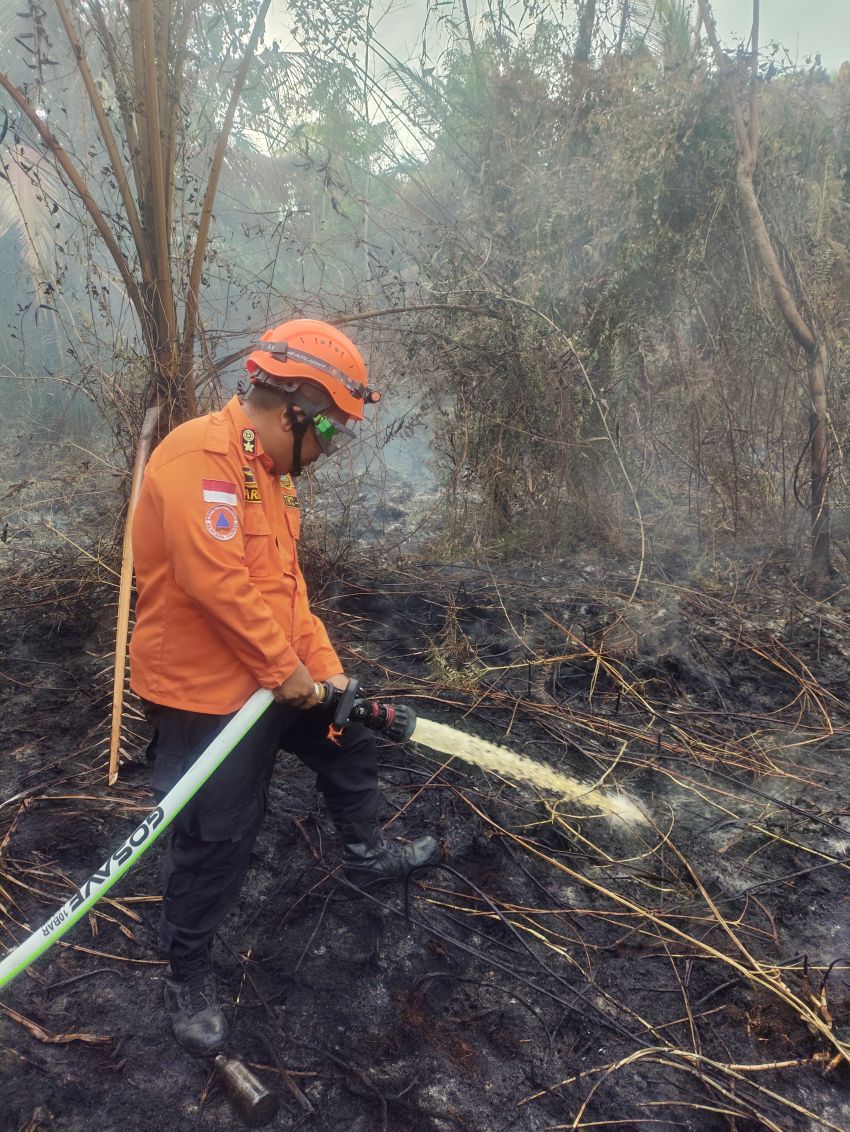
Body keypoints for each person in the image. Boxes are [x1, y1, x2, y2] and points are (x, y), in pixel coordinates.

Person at [129, 319, 440, 1055]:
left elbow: (288, 595)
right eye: (330, 431)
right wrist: (286, 674)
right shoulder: (199, 456)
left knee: (348, 735)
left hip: (272, 678)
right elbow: (217, 584)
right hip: (205, 697)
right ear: (295, 408)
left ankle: (365, 853)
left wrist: (326, 673)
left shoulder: (274, 482)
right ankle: (188, 974)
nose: (330, 450)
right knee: (218, 837)